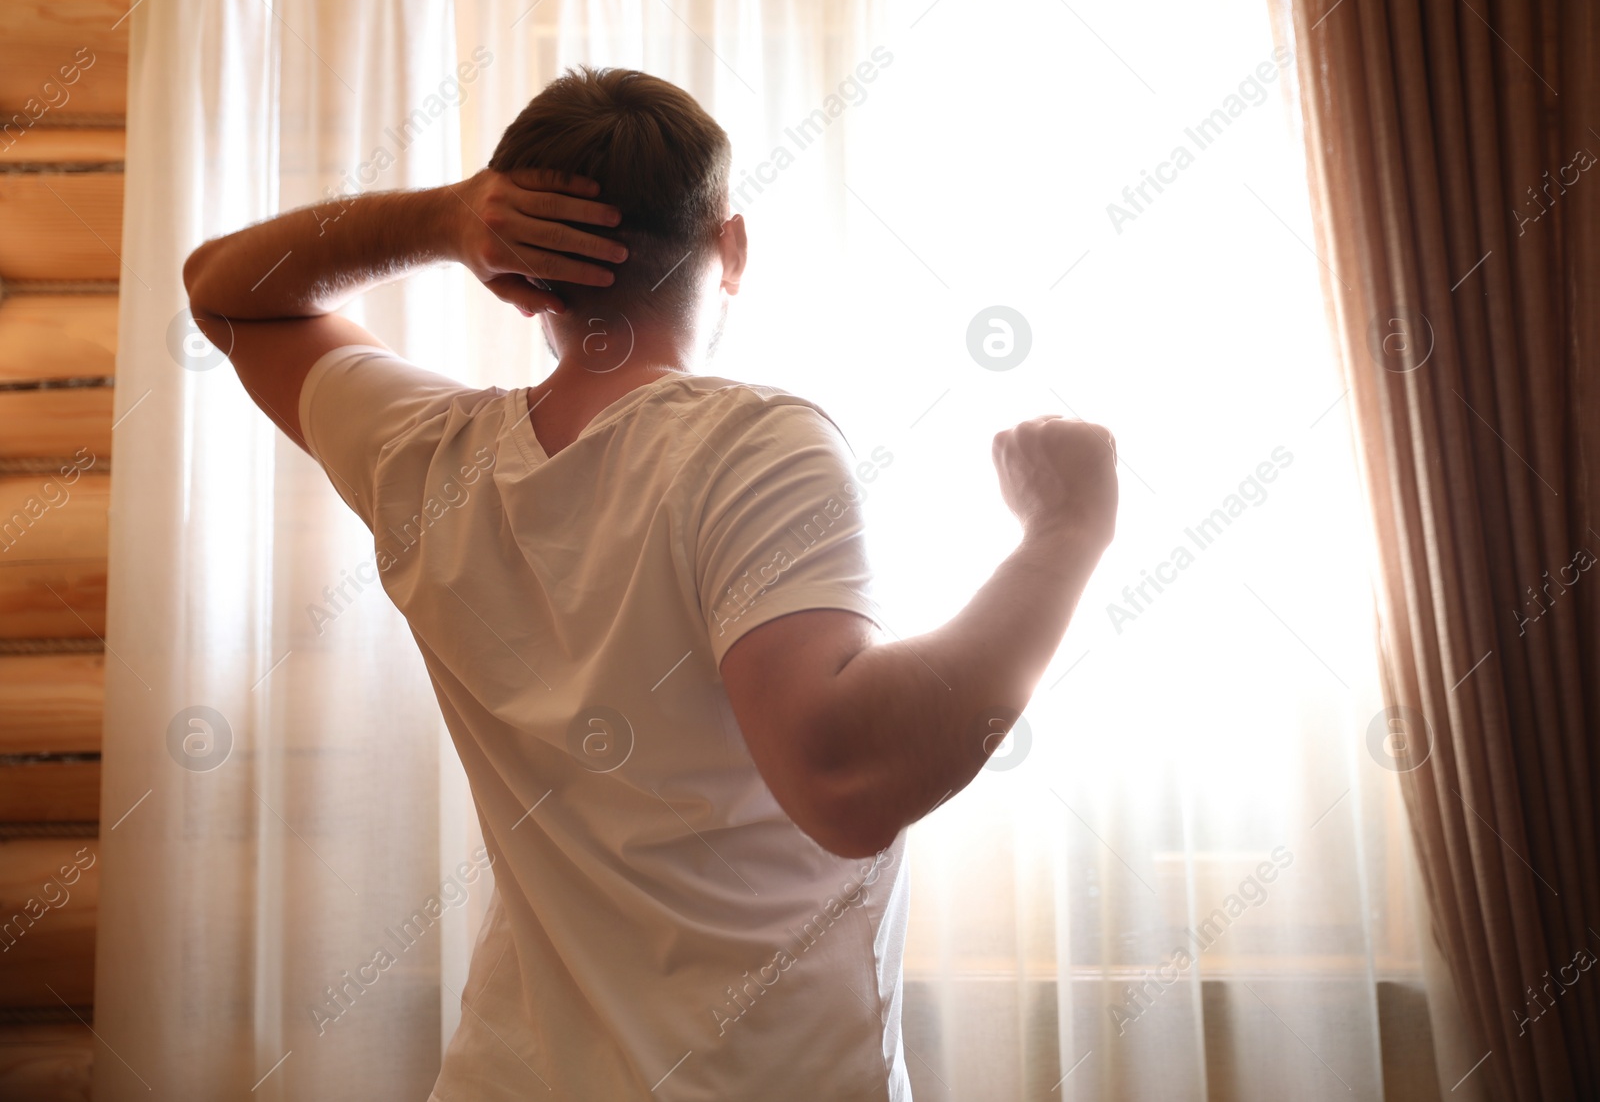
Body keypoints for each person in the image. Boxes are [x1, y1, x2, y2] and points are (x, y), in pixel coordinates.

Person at [182, 65, 1117, 1102]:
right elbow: (844, 781)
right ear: (732, 247)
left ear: (516, 279)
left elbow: (222, 288)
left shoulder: (428, 459)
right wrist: (1060, 538)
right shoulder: (755, 443)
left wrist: (442, 219)